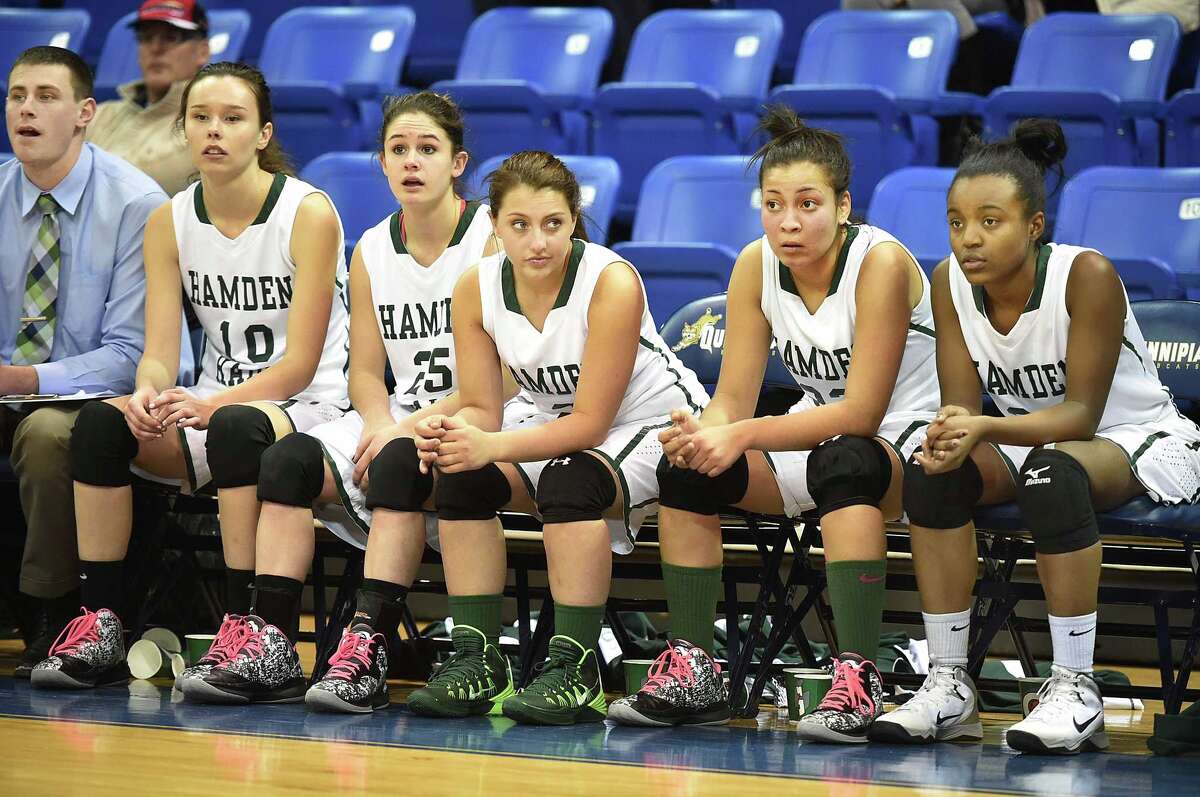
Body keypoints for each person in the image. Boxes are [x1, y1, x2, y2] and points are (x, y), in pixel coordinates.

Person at [179, 91, 523, 710]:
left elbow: (502, 378)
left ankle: (366, 649)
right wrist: (379, 419)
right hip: (396, 414)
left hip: (485, 409)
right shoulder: (370, 249)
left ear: (457, 163)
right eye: (398, 150)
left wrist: (401, 428)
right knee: (285, 464)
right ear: (383, 164)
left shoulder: (491, 243)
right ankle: (271, 643)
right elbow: (364, 371)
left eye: (427, 149)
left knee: (398, 461)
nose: (411, 161)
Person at [607, 106, 939, 743]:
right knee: (691, 469)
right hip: (814, 435)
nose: (788, 221)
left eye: (808, 204)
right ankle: (694, 669)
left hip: (909, 442)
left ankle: (859, 674)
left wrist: (740, 433)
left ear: (844, 206)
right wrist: (706, 432)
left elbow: (863, 413)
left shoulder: (881, 264)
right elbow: (733, 397)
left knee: (847, 459)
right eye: (774, 203)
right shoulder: (754, 264)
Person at [872, 119, 1200, 755]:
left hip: (1129, 437)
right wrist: (950, 436)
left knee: (1053, 472)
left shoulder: (1087, 276)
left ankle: (1075, 686)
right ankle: (948, 682)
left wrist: (983, 427)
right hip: (1030, 437)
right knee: (933, 472)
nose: (969, 238)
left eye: (990, 221)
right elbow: (964, 407)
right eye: (957, 221)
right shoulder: (947, 284)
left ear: (1034, 226)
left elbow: (1080, 415)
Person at [30, 62, 350, 691]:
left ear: (262, 133)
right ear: (183, 128)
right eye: (201, 118)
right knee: (100, 425)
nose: (214, 131)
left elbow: (302, 364)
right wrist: (147, 390)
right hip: (216, 403)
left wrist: (214, 404)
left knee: (233, 426)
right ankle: (102, 622)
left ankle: (242, 628)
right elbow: (160, 349)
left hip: (311, 403)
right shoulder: (169, 218)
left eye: (233, 119)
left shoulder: (307, 212)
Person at [407, 151, 708, 726]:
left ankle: (575, 666)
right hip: (556, 424)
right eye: (519, 225)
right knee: (460, 474)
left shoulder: (610, 280)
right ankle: (476, 657)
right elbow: (482, 407)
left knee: (571, 482)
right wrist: (447, 434)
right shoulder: (475, 287)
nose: (537, 241)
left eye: (553, 224)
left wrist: (489, 445)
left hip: (653, 423)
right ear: (493, 225)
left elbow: (592, 424)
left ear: (575, 222)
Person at [2, 46, 170, 678]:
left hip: (90, 397)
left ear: (85, 114)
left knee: (46, 435)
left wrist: (23, 380)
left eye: (46, 96)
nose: (26, 109)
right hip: (7, 381)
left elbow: (132, 357)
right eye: (16, 96)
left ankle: (50, 611)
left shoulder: (136, 204)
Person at [87, 0, 211, 196]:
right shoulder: (101, 114)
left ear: (202, 51)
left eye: (171, 38)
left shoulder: (210, 122)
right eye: (146, 38)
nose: (155, 48)